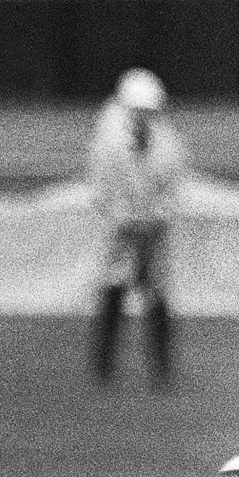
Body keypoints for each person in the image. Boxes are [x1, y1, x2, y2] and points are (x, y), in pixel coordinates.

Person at [86, 68, 185, 388]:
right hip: (122, 230)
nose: (144, 118)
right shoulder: (108, 144)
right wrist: (125, 220)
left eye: (149, 112)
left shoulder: (169, 144)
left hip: (154, 231)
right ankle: (103, 367)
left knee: (157, 297)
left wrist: (156, 219)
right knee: (114, 291)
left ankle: (162, 369)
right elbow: (101, 190)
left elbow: (173, 189)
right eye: (138, 112)